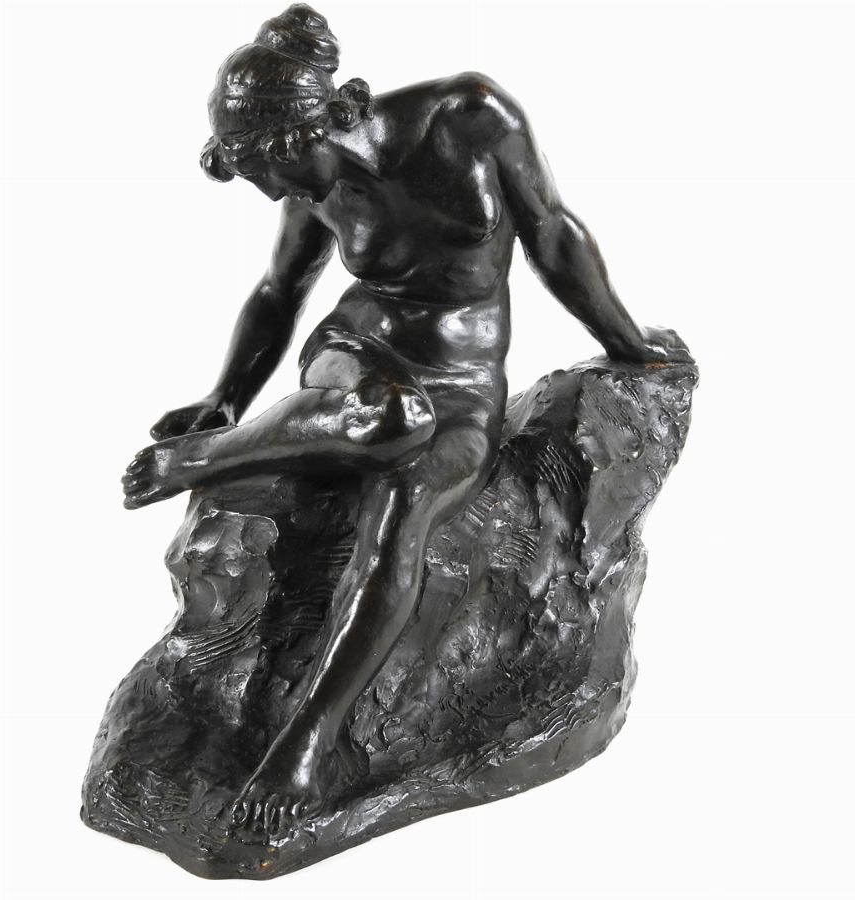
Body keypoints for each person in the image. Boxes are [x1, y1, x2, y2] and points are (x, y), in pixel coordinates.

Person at [120, 3, 690, 836]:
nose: (277, 193)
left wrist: (627, 342)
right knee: (388, 412)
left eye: (276, 171)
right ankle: (217, 448)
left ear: (322, 122)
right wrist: (224, 396)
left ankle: (307, 744)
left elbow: (554, 234)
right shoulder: (311, 186)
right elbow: (279, 293)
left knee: (405, 508)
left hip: (462, 381)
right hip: (355, 354)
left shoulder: (467, 118)